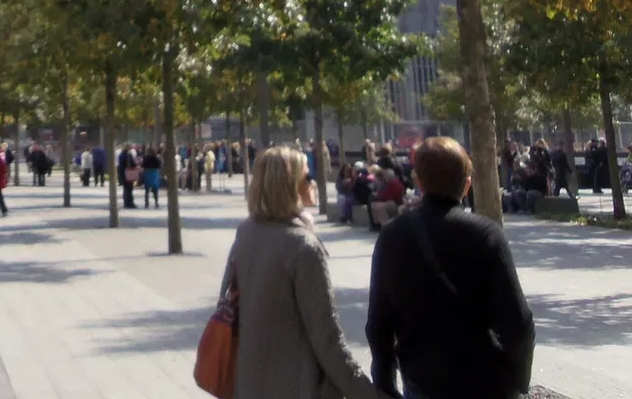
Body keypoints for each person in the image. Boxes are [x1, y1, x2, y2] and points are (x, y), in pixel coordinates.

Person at [367, 137, 534, 399]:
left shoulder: (392, 237)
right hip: (485, 382)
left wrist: (385, 383)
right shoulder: (486, 235)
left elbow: (379, 323)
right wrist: (519, 380)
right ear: (467, 185)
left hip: (423, 381)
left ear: (419, 182)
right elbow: (519, 324)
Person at [212, 145, 382, 399]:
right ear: (289, 186)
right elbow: (327, 338)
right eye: (307, 176)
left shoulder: (247, 232)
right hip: (298, 386)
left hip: (249, 384)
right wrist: (369, 394)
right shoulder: (303, 247)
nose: (314, 182)